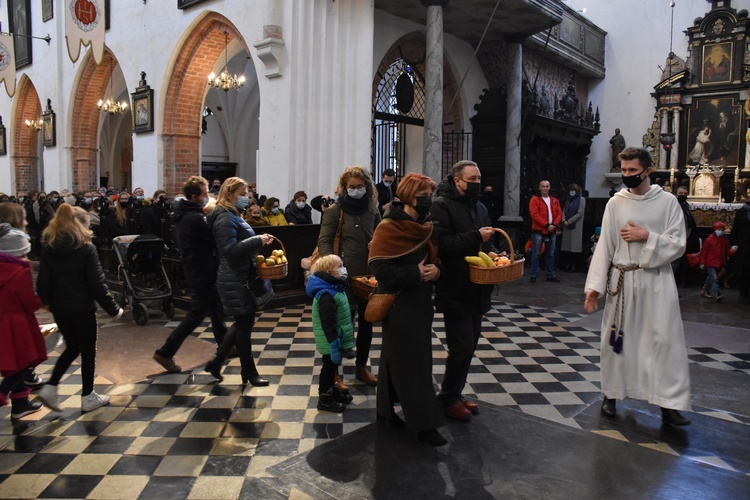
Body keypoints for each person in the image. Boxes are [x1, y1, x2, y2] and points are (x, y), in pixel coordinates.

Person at [584, 146, 691, 427]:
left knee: (663, 342)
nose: (627, 175)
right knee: (617, 342)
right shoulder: (615, 203)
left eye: (633, 170)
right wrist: (594, 286)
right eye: (624, 170)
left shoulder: (667, 202)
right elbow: (604, 247)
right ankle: (611, 395)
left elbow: (679, 242)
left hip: (656, 281)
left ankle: (668, 404)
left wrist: (647, 237)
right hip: (622, 281)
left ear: (648, 171)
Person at [369, 173, 447, 446]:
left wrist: (436, 270)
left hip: (421, 302)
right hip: (399, 303)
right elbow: (379, 268)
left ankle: (384, 412)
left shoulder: (425, 225)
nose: (429, 200)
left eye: (430, 194)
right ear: (409, 196)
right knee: (414, 364)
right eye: (424, 194)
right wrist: (415, 273)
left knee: (396, 357)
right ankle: (425, 425)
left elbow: (436, 260)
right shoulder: (389, 227)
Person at [36, 204, 124, 413]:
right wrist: (113, 308)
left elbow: (42, 282)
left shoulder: (50, 248)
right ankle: (87, 396)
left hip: (60, 307)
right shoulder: (86, 249)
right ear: (82, 225)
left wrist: (46, 303)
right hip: (82, 307)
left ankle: (50, 387)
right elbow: (97, 284)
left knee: (73, 346)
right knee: (87, 351)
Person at [430, 160, 495, 421]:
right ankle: (447, 398)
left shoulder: (478, 206)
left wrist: (493, 253)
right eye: (472, 179)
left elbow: (483, 242)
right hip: (455, 286)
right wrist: (477, 237)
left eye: (479, 178)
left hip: (477, 288)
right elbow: (442, 244)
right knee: (462, 346)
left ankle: (455, 393)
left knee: (471, 345)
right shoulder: (441, 206)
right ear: (457, 180)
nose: (477, 183)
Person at [153, 176, 228, 373]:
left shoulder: (189, 214)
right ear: (194, 197)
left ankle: (227, 346)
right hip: (201, 271)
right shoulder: (193, 218)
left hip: (204, 269)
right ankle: (165, 352)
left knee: (217, 308)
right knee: (195, 315)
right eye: (205, 194)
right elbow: (214, 237)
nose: (208, 197)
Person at [205, 177, 274, 385]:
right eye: (243, 194)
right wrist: (257, 240)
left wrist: (256, 241)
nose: (247, 198)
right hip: (235, 278)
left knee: (243, 322)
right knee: (244, 325)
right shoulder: (225, 218)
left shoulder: (233, 214)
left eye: (247, 194)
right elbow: (229, 250)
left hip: (241, 275)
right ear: (230, 194)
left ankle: (217, 362)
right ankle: (249, 372)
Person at [318, 166, 382, 386]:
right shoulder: (335, 211)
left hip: (367, 277)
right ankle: (333, 372)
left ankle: (361, 368)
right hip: (342, 276)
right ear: (344, 187)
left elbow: (380, 234)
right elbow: (324, 240)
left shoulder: (372, 209)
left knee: (367, 324)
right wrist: (332, 264)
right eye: (351, 187)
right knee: (341, 325)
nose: (355, 190)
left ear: (367, 186)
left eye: (360, 187)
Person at [0, 223, 49, 419]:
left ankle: (20, 404)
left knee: (14, 361)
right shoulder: (20, 271)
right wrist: (42, 303)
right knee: (27, 361)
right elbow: (28, 301)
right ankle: (3, 391)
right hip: (18, 324)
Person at [305, 254, 356, 412]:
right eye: (339, 266)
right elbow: (327, 321)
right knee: (328, 368)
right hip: (330, 339)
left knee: (332, 366)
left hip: (335, 337)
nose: (343, 269)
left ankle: (332, 392)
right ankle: (325, 400)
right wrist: (334, 343)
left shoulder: (334, 287)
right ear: (329, 271)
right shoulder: (326, 294)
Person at [529, 180, 562, 283]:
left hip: (551, 231)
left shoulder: (554, 200)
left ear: (549, 187)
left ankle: (550, 275)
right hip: (539, 230)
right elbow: (534, 214)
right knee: (536, 253)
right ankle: (534, 275)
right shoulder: (535, 199)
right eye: (543, 186)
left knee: (550, 254)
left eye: (547, 186)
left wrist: (554, 225)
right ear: (539, 187)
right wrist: (546, 225)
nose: (545, 188)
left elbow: (559, 214)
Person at [699, 221, 736, 302]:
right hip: (711, 262)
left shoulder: (724, 240)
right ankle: (716, 294)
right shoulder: (709, 240)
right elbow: (703, 252)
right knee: (714, 278)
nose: (720, 231)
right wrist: (701, 262)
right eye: (718, 229)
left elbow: (728, 252)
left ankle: (704, 290)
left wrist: (732, 250)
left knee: (711, 277)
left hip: (719, 262)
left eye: (722, 229)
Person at [671, 185, 700, 286]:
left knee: (679, 266)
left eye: (685, 194)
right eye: (680, 194)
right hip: (676, 241)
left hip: (684, 240)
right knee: (673, 266)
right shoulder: (674, 206)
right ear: (675, 195)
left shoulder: (685, 206)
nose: (683, 195)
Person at [560, 183, 586, 272]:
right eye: (571, 190)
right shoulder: (568, 200)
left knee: (574, 247)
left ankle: (574, 265)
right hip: (566, 226)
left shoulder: (581, 200)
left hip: (575, 226)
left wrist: (569, 221)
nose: (572, 192)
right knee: (567, 247)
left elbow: (579, 213)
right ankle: (568, 264)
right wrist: (564, 220)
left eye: (574, 190)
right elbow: (563, 211)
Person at [730, 199, 750, 303]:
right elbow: (735, 229)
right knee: (744, 271)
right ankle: (743, 294)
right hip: (744, 247)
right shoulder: (741, 212)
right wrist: (734, 243)